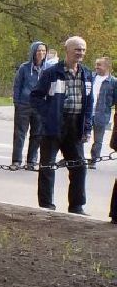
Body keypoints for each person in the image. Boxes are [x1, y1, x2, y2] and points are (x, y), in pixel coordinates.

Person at [30, 36, 94, 214]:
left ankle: (77, 206)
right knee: (47, 166)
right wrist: (48, 114)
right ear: (67, 50)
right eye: (77, 49)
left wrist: (87, 127)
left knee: (79, 166)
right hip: (54, 126)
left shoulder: (86, 73)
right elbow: (35, 97)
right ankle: (46, 205)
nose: (80, 53)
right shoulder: (52, 72)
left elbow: (89, 103)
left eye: (83, 50)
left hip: (76, 126)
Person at [11, 42, 48, 170]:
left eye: (43, 51)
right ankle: (16, 161)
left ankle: (31, 161)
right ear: (33, 52)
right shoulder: (24, 68)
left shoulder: (48, 69)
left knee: (37, 134)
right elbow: (17, 85)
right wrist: (17, 102)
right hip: (24, 104)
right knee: (20, 134)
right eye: (38, 51)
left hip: (40, 106)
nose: (41, 53)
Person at [90, 56, 113, 167]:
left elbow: (114, 99)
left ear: (107, 67)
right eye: (96, 64)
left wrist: (106, 106)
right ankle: (74, 158)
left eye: (99, 65)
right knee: (78, 136)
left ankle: (94, 160)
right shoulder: (91, 77)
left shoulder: (113, 82)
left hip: (102, 114)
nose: (96, 67)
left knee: (98, 140)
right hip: (87, 113)